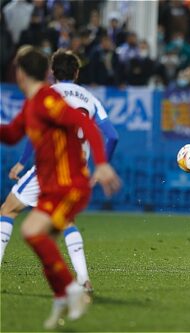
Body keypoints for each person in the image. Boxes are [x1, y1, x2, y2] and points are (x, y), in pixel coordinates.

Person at [0, 46, 121, 329]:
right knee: (47, 229)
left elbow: (77, 124)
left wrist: (103, 164)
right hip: (75, 175)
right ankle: (73, 287)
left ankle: (71, 288)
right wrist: (100, 162)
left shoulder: (48, 96)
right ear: (76, 72)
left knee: (11, 211)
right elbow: (14, 132)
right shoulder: (87, 97)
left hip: (57, 175)